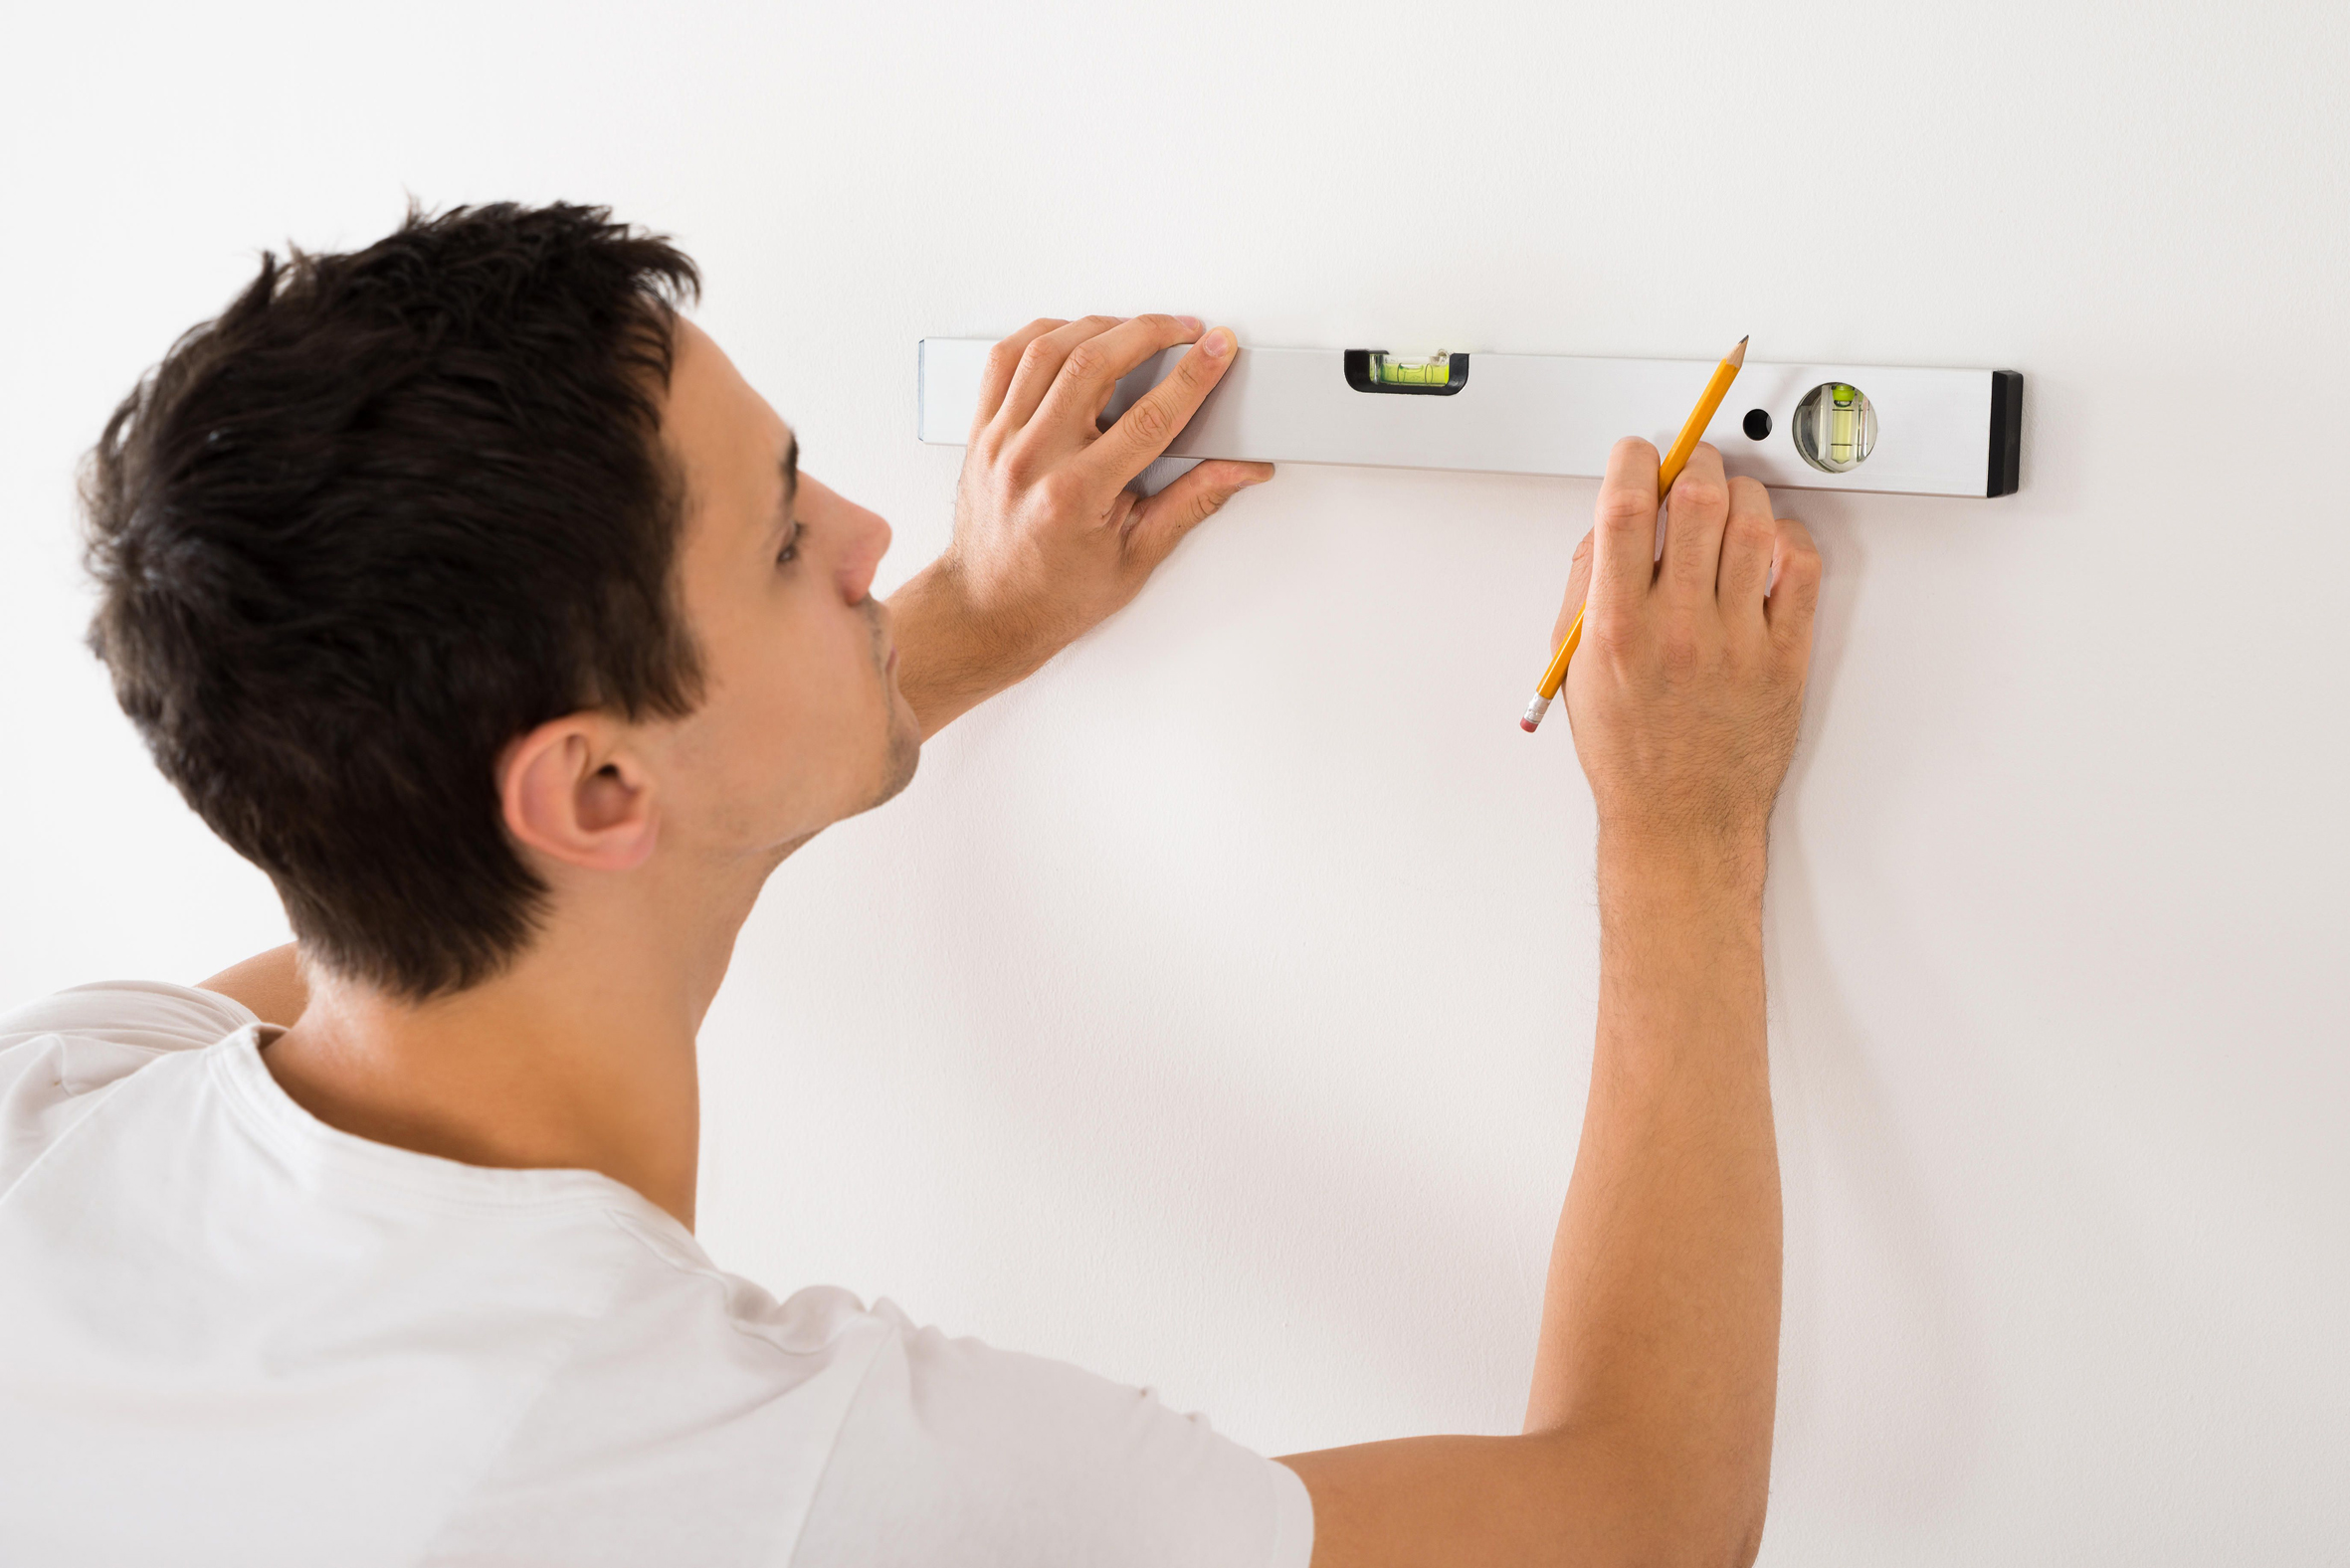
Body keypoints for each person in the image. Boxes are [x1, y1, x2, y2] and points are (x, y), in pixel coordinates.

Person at [0, 203, 1821, 1567]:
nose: (878, 536)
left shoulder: (60, 1126)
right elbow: (1638, 1514)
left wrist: (959, 625)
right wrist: (1679, 832)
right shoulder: (765, 1483)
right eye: (791, 534)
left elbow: (475, 904)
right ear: (601, 777)